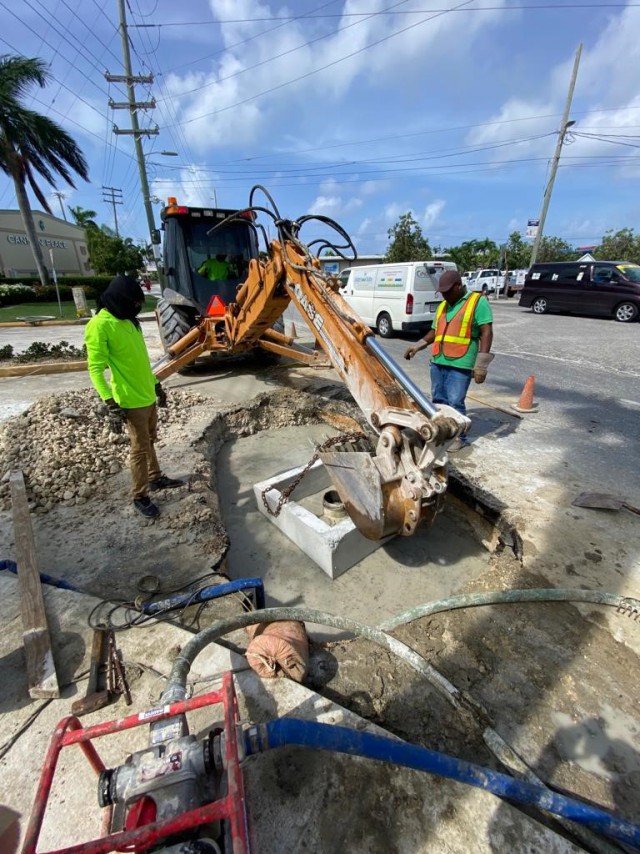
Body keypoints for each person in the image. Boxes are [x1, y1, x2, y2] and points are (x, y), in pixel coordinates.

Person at [85, 275, 184, 518]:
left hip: (146, 394)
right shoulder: (100, 325)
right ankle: (140, 496)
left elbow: (140, 362)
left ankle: (155, 478)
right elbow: (95, 369)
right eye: (135, 303)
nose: (137, 308)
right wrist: (109, 401)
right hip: (129, 400)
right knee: (139, 449)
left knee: (149, 440)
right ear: (120, 300)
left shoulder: (130, 321)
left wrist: (156, 385)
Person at [404, 269, 494, 450]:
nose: (444, 295)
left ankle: (459, 438)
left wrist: (481, 364)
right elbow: (434, 331)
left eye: (447, 291)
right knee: (438, 400)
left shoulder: (477, 302)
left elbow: (486, 332)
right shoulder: (443, 306)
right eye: (442, 292)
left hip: (461, 362)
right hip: (438, 360)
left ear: (458, 286)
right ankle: (441, 433)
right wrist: (418, 345)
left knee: (455, 402)